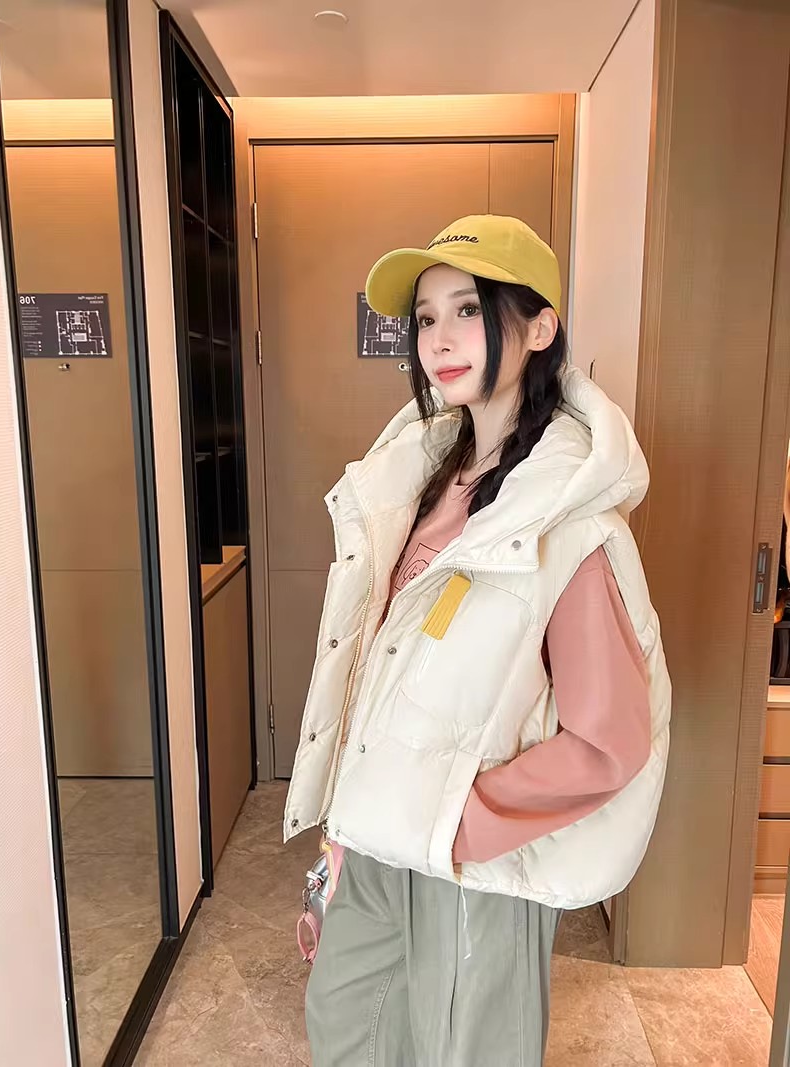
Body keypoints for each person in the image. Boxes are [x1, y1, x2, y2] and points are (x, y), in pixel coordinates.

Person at [284, 214, 671, 1066]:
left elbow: (609, 740)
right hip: (377, 839)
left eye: (468, 309)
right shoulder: (424, 482)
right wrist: (342, 839)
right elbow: (376, 675)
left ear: (539, 328)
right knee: (347, 1026)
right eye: (426, 317)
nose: (440, 338)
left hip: (471, 865)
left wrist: (460, 824)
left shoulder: (566, 520)